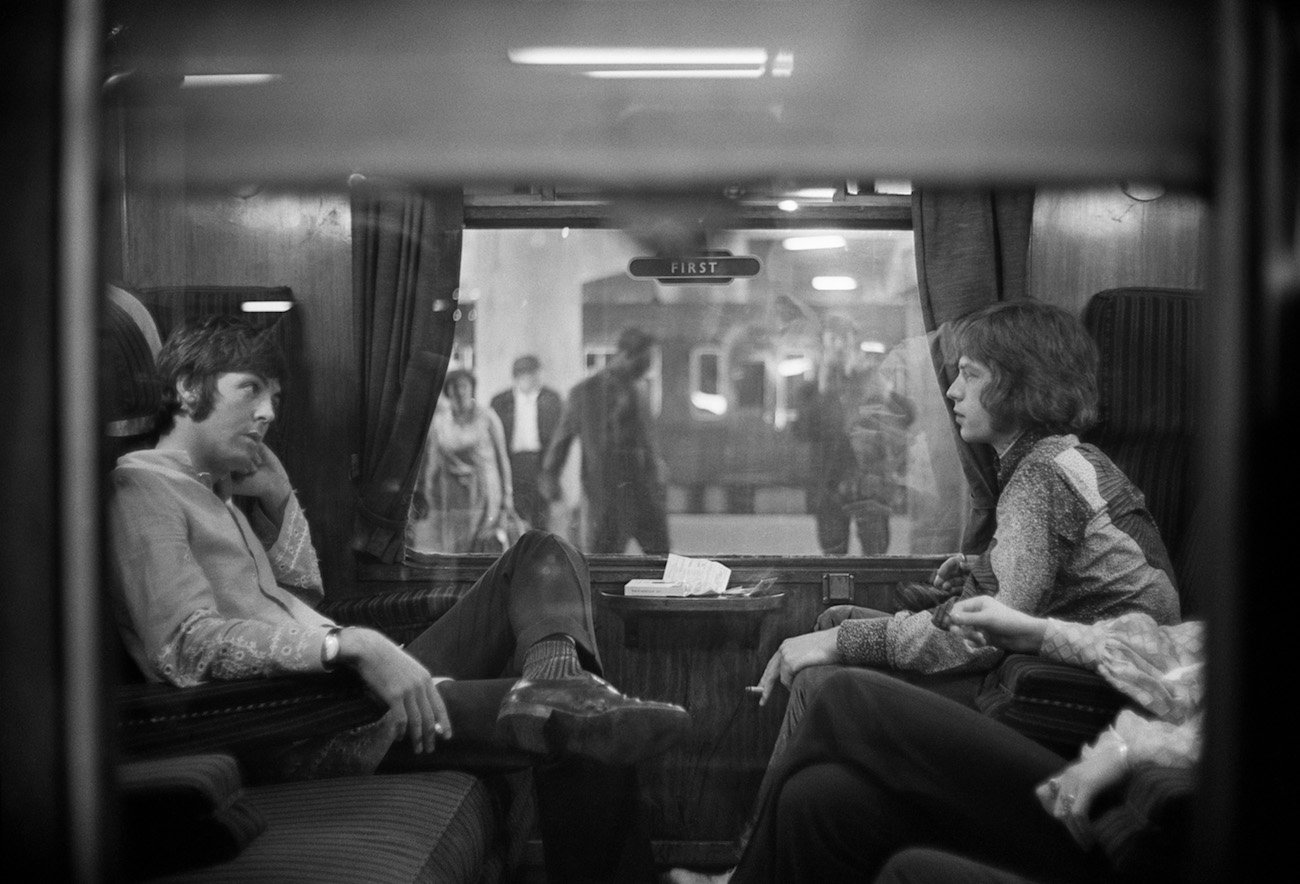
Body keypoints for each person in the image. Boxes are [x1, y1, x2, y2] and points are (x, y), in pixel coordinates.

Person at [106, 314, 692, 883]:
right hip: (311, 723)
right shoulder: (143, 489)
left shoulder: (217, 489)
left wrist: (280, 499)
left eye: (274, 398)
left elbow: (302, 594)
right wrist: (348, 646)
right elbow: (185, 645)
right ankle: (563, 697)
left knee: (541, 548)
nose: (267, 413)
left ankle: (556, 673)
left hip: (341, 688)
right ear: (187, 388)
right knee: (575, 728)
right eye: (251, 390)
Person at [756, 300, 1181, 759]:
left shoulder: (1043, 476)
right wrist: (988, 569)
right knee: (834, 623)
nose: (953, 392)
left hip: (1087, 695)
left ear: (1021, 384)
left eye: (971, 375)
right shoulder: (1059, 459)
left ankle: (770, 823)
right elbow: (1061, 586)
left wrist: (837, 643)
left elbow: (977, 642)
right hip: (1060, 671)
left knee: (822, 667)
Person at [722, 594, 1203, 884]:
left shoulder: (1046, 472)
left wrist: (1124, 750)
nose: (954, 418)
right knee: (820, 797)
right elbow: (1169, 649)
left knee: (843, 695)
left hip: (1132, 821)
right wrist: (1035, 631)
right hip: (1110, 787)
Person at [540, 327, 670, 554]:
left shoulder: (640, 390)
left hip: (643, 493)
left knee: (661, 558)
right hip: (605, 496)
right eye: (646, 360)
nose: (649, 367)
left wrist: (657, 471)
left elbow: (648, 440)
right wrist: (551, 479)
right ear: (626, 355)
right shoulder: (583, 393)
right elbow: (560, 442)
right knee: (603, 561)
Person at [410, 368, 513, 553]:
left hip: (485, 492)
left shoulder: (487, 417)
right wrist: (424, 493)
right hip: (452, 495)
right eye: (454, 387)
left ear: (472, 388)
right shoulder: (440, 422)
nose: (460, 391)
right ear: (447, 392)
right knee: (455, 548)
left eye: (464, 386)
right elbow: (433, 460)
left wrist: (507, 498)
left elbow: (502, 459)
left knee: (484, 547)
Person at [490, 353, 563, 531]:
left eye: (538, 375)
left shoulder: (552, 400)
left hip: (541, 464)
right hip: (512, 464)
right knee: (514, 518)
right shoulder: (500, 402)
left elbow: (559, 440)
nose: (537, 380)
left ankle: (538, 555)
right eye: (531, 376)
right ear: (518, 378)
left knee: (541, 520)